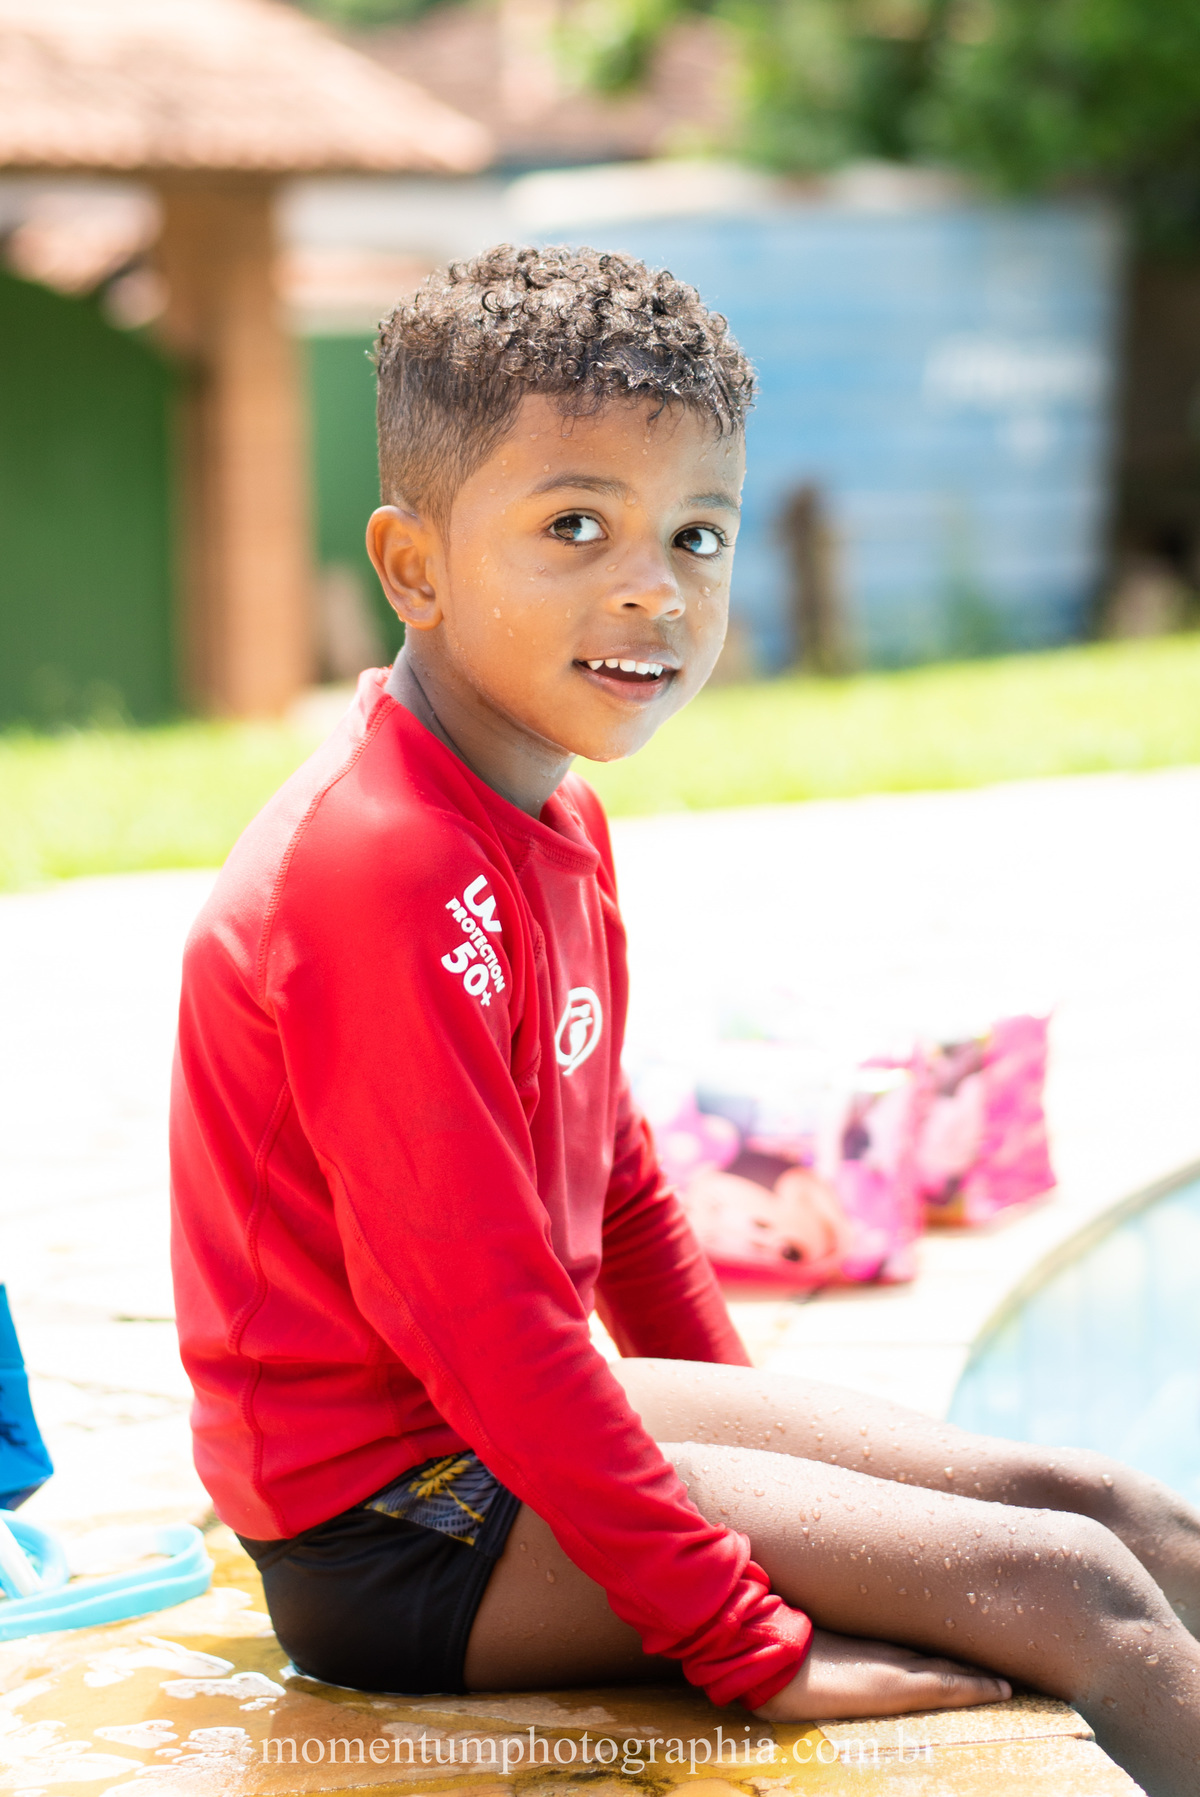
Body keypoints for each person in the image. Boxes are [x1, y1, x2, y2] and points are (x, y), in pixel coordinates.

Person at [170, 245, 1200, 1797]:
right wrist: (746, 1627)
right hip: (392, 1520)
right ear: (416, 563)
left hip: (491, 1432)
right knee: (1078, 1596)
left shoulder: (550, 813)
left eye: (697, 533)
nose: (655, 583)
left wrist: (774, 1452)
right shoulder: (374, 872)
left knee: (1117, 1504)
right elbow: (488, 1330)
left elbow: (621, 1177)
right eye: (575, 525)